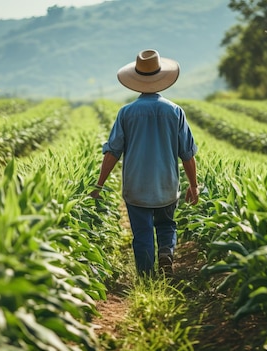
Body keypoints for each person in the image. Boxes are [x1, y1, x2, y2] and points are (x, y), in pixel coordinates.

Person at [90, 49, 200, 278]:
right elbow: (187, 153)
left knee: (142, 233)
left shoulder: (126, 113)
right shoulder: (175, 111)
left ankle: (146, 277)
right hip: (167, 184)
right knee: (167, 225)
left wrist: (99, 185)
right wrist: (193, 185)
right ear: (161, 79)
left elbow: (113, 152)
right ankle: (166, 254)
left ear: (137, 79)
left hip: (136, 186)